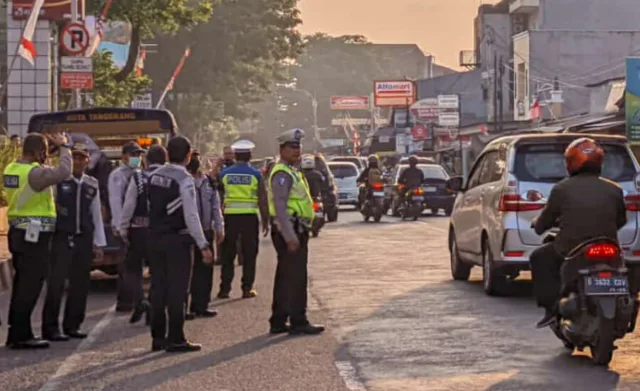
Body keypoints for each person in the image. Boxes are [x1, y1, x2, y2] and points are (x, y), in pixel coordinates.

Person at [529, 138, 627, 328]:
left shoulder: (561, 189)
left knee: (538, 257)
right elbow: (620, 221)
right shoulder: (615, 189)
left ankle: (551, 308)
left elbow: (545, 221)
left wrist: (537, 224)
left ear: (571, 163)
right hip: (608, 245)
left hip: (572, 248)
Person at [4, 132, 72, 349]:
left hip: (17, 232)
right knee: (30, 286)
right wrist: (64, 147)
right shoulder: (34, 173)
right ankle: (22, 336)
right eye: (43, 150)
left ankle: (17, 332)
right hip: (33, 236)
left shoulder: (12, 169)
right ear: (36, 151)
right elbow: (64, 172)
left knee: (21, 284)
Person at [147, 136, 213, 352]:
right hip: (178, 240)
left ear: (167, 153)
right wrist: (203, 244)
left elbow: (140, 205)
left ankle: (158, 337)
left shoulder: (153, 176)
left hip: (154, 237)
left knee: (158, 288)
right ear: (187, 156)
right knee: (178, 290)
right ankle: (176, 337)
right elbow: (191, 215)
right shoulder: (185, 179)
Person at [41, 143, 106, 341]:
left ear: (88, 161)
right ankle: (50, 328)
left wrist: (99, 243)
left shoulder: (92, 184)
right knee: (56, 284)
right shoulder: (59, 181)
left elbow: (96, 215)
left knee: (80, 284)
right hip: (61, 237)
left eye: (81, 158)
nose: (78, 161)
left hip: (83, 239)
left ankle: (73, 325)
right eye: (74, 157)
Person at [268, 128, 324, 335]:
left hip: (294, 227)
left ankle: (279, 320)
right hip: (290, 229)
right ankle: (298, 320)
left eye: (298, 146)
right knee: (297, 277)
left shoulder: (293, 170)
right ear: (282, 149)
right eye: (292, 147)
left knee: (285, 276)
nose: (296, 150)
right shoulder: (282, 173)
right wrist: (289, 235)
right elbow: (280, 206)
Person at [119, 145, 168, 324]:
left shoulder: (138, 177)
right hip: (161, 231)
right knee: (158, 271)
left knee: (132, 269)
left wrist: (123, 228)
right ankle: (154, 308)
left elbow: (129, 205)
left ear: (147, 160)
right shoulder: (169, 177)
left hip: (139, 231)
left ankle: (140, 300)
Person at [217, 140, 269, 299]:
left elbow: (218, 198)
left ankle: (224, 289)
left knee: (228, 254)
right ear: (250, 156)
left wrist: (218, 219)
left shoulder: (224, 174)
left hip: (229, 217)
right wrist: (266, 220)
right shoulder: (256, 174)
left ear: (235, 155)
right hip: (249, 218)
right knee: (249, 254)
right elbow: (262, 198)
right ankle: (247, 288)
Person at [186, 151, 225, 318]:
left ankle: (201, 305)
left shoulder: (208, 182)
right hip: (188, 233)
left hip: (207, 230)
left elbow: (216, 206)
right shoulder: (184, 182)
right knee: (188, 272)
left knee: (205, 271)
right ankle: (184, 308)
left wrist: (219, 227)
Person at [108, 141, 145, 312]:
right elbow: (116, 201)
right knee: (125, 265)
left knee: (134, 264)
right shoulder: (118, 175)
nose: (136, 158)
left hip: (136, 225)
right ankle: (125, 302)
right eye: (133, 154)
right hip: (124, 223)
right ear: (123, 156)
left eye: (138, 155)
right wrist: (118, 224)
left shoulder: (139, 173)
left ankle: (136, 300)